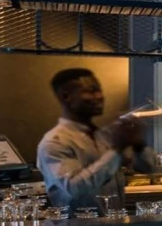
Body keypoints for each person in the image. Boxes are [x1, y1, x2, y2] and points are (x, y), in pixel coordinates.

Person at [38, 67, 155, 212]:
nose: (99, 96)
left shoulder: (103, 136)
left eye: (99, 90)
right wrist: (116, 150)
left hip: (114, 225)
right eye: (90, 91)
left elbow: (148, 169)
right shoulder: (55, 142)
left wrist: (139, 145)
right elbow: (74, 188)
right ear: (66, 96)